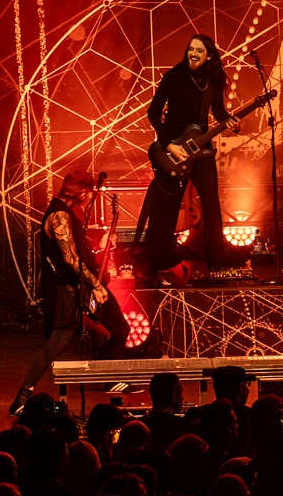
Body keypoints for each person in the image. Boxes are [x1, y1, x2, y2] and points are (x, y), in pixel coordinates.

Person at [13, 172, 128, 416]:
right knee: (57, 343)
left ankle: (113, 381)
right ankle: (22, 397)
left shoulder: (63, 212)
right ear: (83, 195)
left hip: (80, 286)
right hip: (71, 290)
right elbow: (70, 259)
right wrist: (96, 285)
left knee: (117, 329)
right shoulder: (59, 216)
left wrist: (100, 247)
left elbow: (76, 252)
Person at [134, 33, 240, 276]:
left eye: (199, 50)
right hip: (172, 149)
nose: (193, 53)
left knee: (212, 205)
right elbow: (153, 112)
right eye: (191, 49)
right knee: (166, 209)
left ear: (209, 56)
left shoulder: (213, 79)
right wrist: (168, 145)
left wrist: (230, 122)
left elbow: (218, 110)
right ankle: (161, 261)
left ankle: (216, 262)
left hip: (202, 149)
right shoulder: (174, 76)